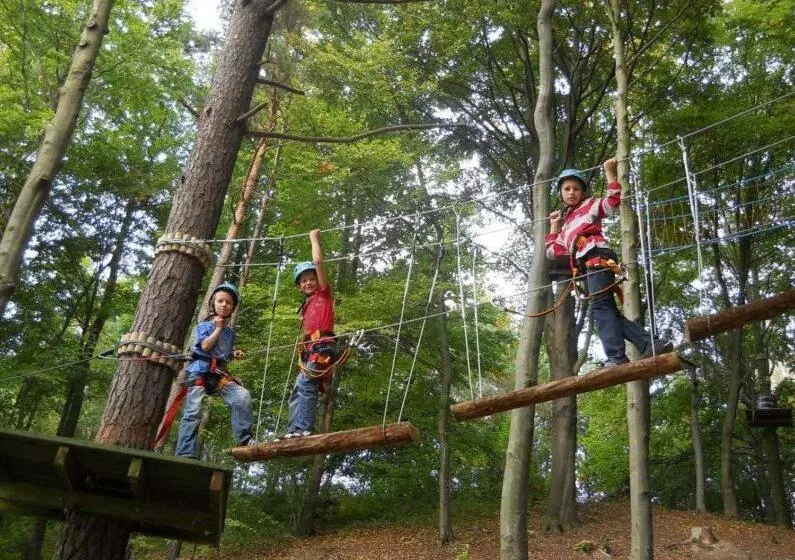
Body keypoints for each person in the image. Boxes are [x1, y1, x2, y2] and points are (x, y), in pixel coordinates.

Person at [545, 158, 672, 367]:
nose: (571, 192)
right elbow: (552, 252)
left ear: (582, 192)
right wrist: (554, 225)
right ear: (560, 193)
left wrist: (609, 171)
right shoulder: (566, 226)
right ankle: (651, 344)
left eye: (576, 188)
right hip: (587, 266)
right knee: (606, 308)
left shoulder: (590, 205)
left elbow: (613, 203)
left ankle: (616, 356)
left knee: (600, 306)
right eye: (566, 189)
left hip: (598, 257)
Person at [175, 282, 254, 458]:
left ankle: (244, 439)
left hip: (218, 375)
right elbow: (205, 346)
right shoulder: (203, 326)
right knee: (193, 411)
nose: (224, 305)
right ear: (213, 303)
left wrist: (234, 353)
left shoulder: (230, 333)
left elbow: (223, 354)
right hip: (200, 371)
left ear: (233, 307)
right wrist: (218, 328)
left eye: (228, 302)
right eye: (220, 301)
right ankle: (185, 453)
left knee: (242, 397)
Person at [283, 229, 338, 439]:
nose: (308, 283)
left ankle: (303, 428)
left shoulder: (323, 294)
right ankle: (293, 430)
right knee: (298, 388)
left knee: (306, 384)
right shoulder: (305, 307)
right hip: (310, 350)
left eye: (311, 279)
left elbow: (318, 262)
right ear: (299, 287)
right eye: (303, 281)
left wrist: (314, 240)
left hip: (323, 346)